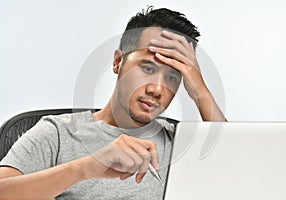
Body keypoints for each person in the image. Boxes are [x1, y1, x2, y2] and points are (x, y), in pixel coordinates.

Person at [0, 6, 226, 199]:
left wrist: (201, 92)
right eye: (147, 68)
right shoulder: (58, 133)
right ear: (118, 62)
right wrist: (86, 168)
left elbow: (241, 176)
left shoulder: (181, 141)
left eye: (172, 77)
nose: (157, 89)